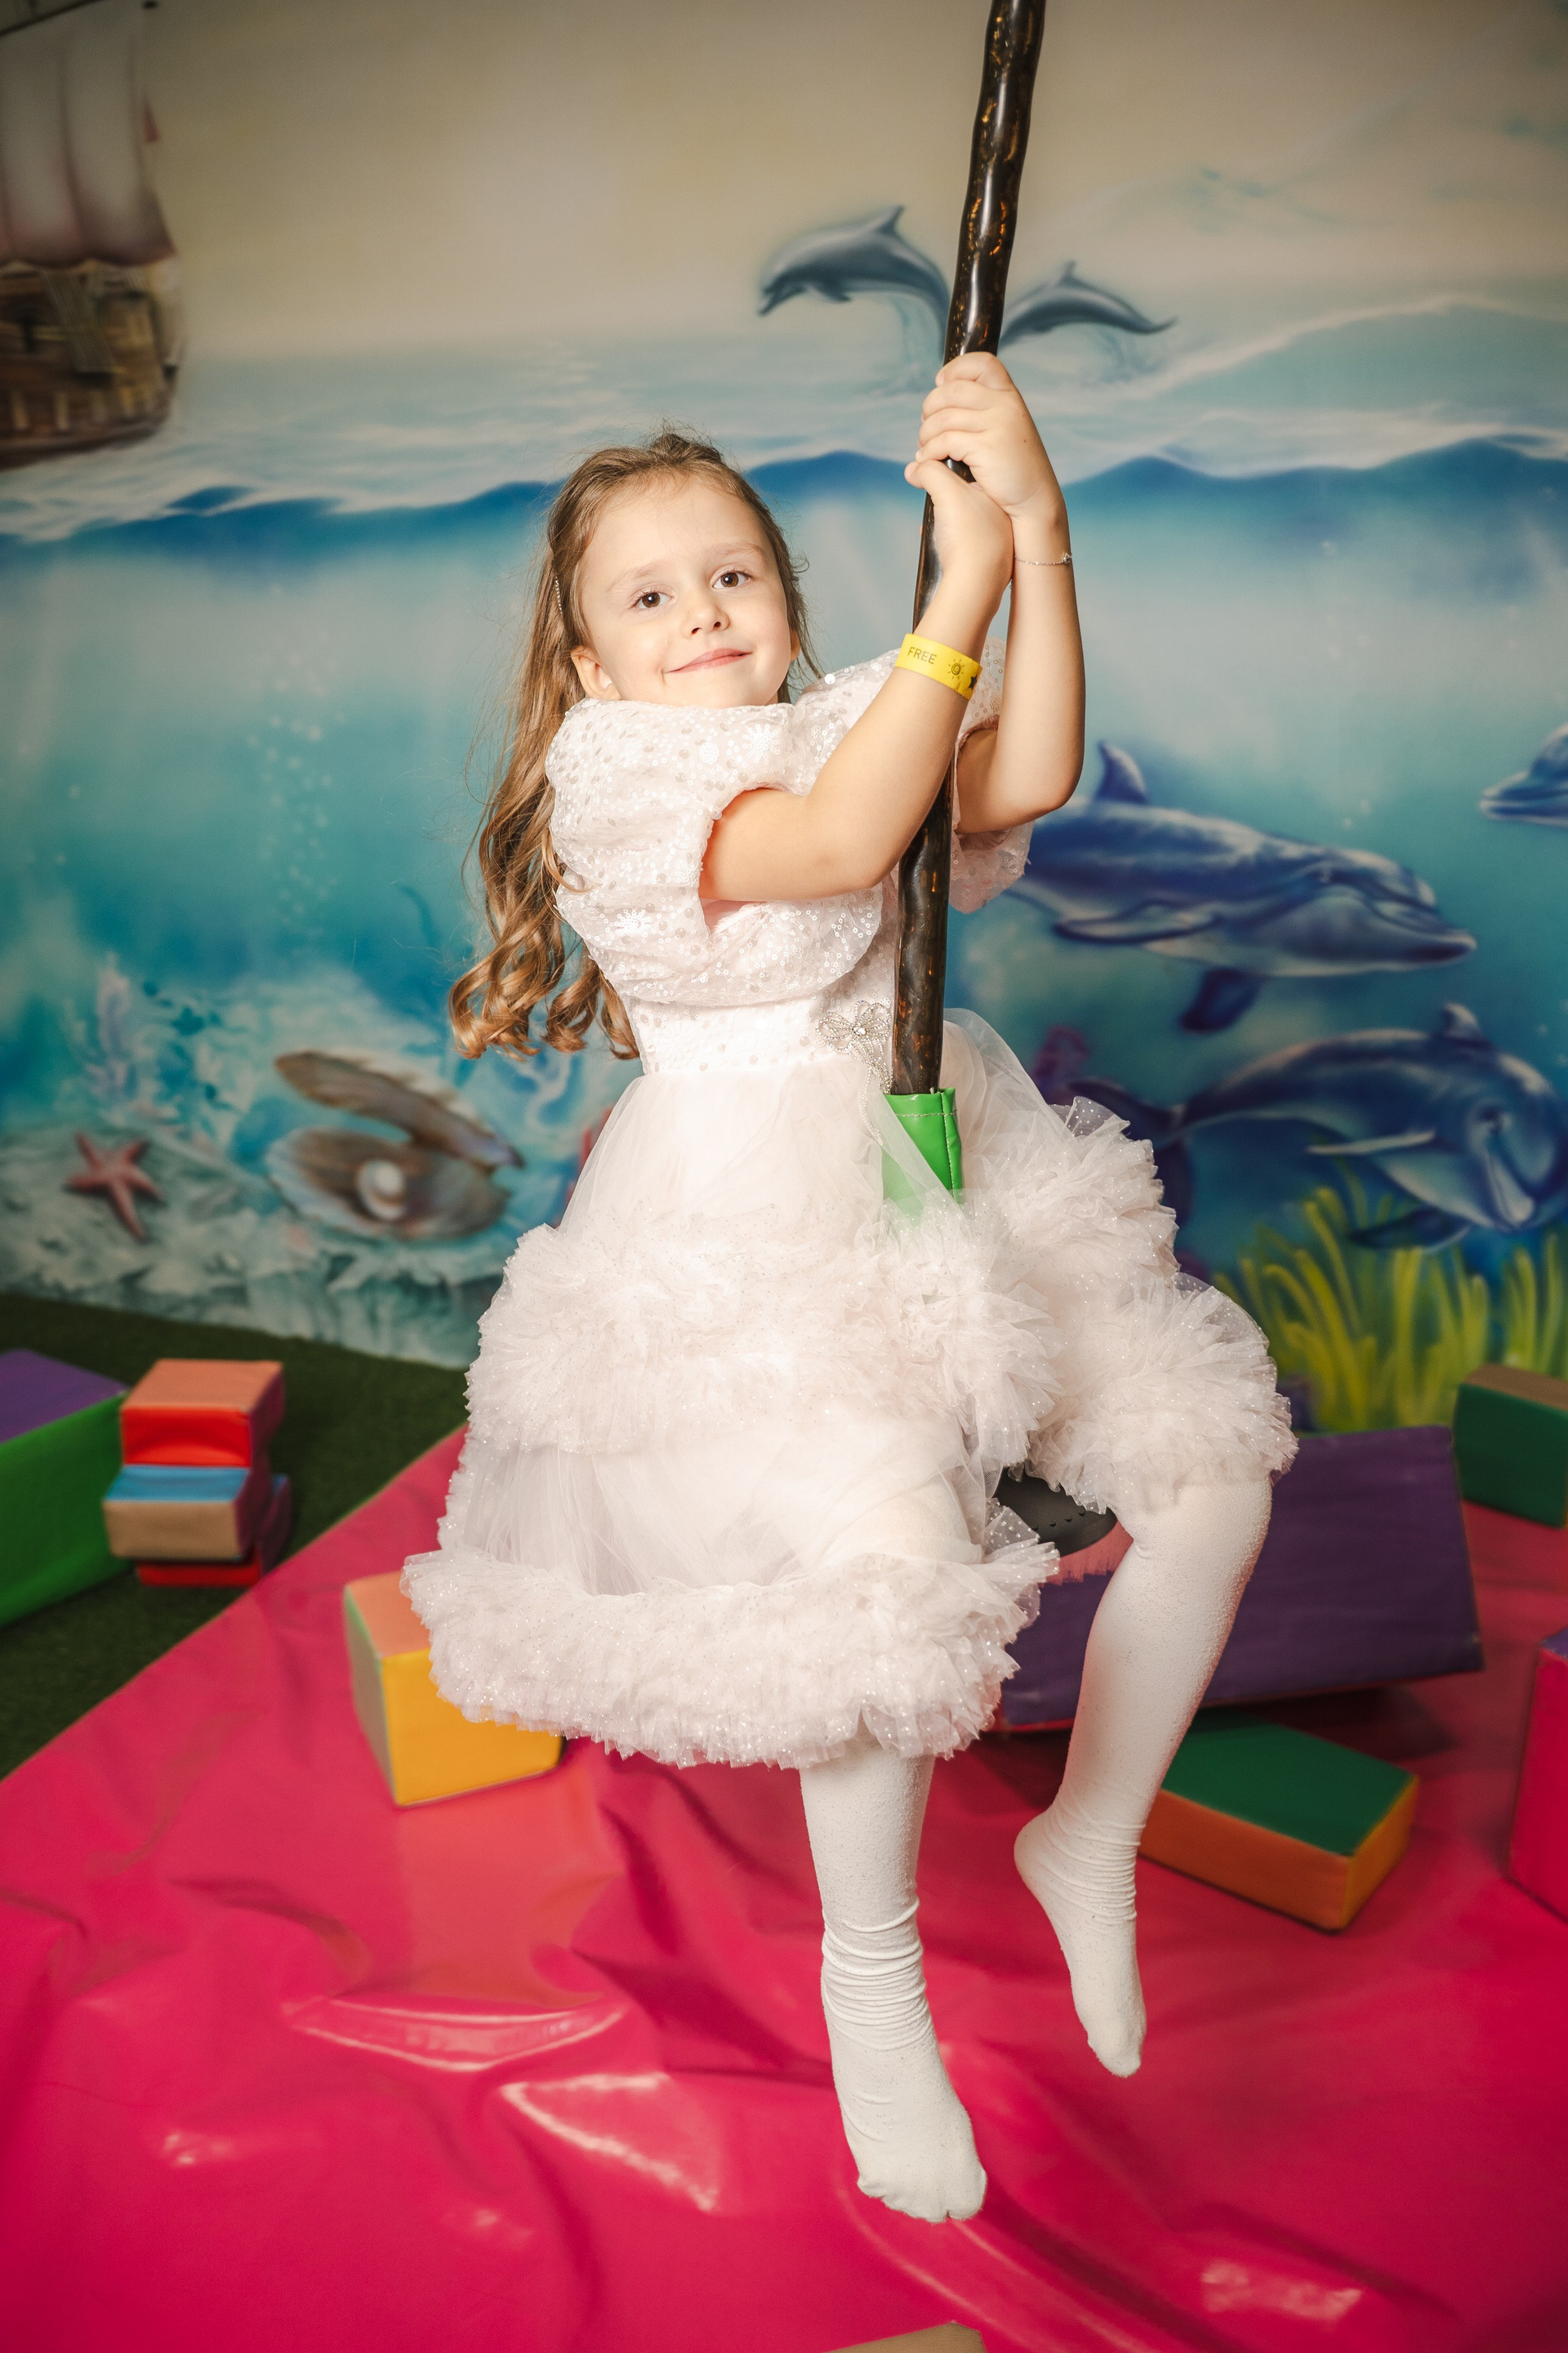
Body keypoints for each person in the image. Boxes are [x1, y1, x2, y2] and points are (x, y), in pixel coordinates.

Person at [403, 354, 1294, 2226]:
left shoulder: (835, 715)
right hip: (750, 1222)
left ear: (789, 597)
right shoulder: (614, 784)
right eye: (649, 594)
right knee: (882, 1586)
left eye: (734, 573)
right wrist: (957, 599)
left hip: (938, 1168)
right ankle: (870, 1981)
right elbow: (830, 847)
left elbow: (1022, 770)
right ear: (584, 659)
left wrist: (1035, 533)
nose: (702, 612)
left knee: (1214, 1474)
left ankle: (1089, 1836)